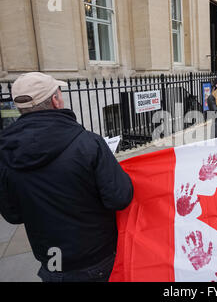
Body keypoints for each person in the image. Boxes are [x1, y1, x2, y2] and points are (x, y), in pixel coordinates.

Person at [0, 72, 133, 282]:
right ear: (55, 100)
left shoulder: (5, 153)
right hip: (96, 258)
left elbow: (12, 214)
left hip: (52, 261)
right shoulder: (89, 143)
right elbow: (119, 197)